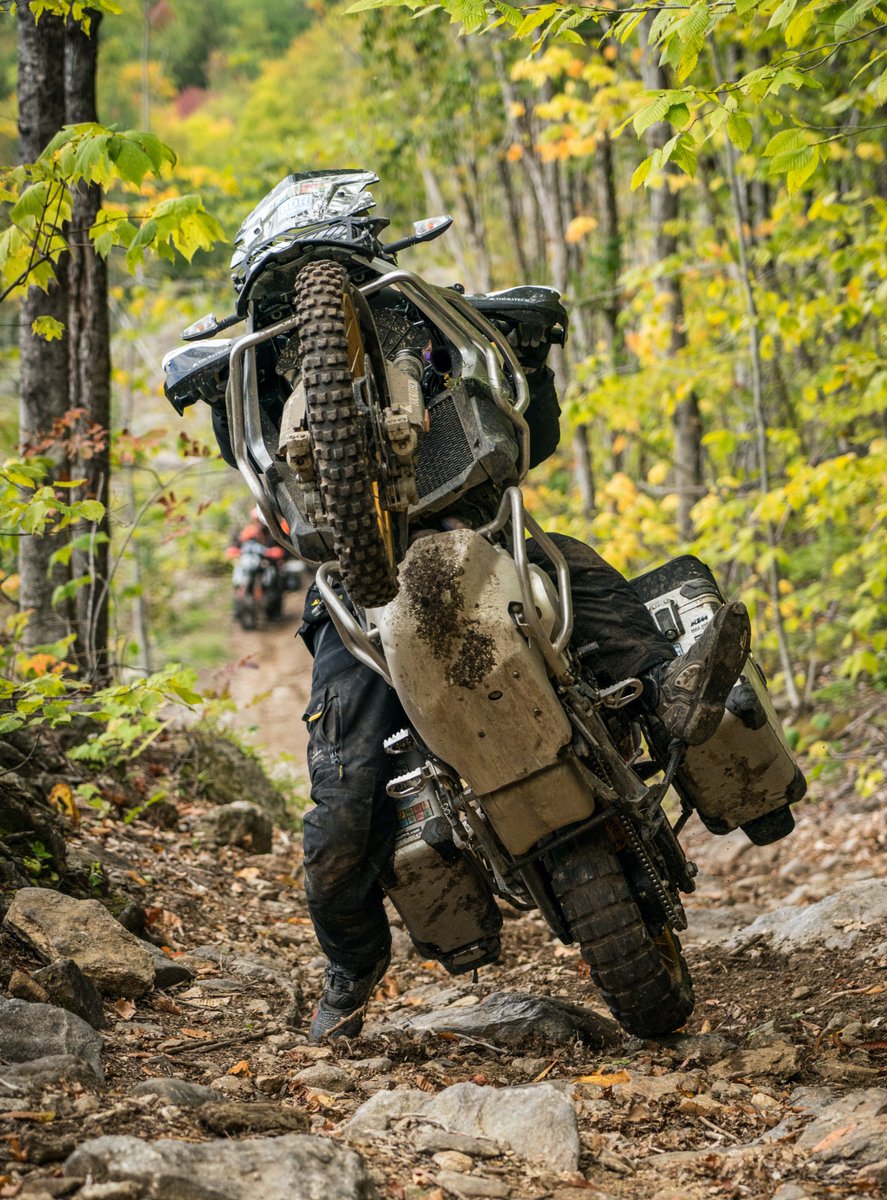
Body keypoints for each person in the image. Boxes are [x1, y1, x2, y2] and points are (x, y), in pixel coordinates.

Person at [298, 309, 751, 1040]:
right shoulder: (268, 375)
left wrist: (531, 359)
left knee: (605, 610)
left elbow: (525, 432)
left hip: (491, 538)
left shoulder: (427, 322)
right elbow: (254, 468)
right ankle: (351, 968)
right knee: (343, 802)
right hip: (358, 601)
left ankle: (672, 696)